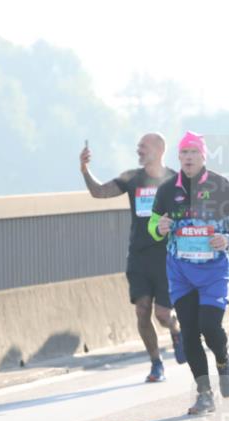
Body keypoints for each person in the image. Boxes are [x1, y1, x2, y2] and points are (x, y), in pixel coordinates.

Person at [148, 132, 229, 415]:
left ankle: (223, 361)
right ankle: (204, 393)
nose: (189, 158)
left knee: (209, 327)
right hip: (180, 270)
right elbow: (154, 225)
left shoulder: (221, 185)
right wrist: (159, 228)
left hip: (213, 271)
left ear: (203, 155)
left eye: (194, 152)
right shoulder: (168, 189)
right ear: (178, 157)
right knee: (190, 333)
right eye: (184, 153)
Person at [80, 133, 184, 382]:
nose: (138, 151)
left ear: (159, 150)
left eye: (143, 147)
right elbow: (100, 192)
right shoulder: (131, 178)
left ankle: (176, 328)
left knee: (162, 314)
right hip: (138, 256)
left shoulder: (175, 179)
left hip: (166, 256)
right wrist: (84, 169)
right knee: (142, 310)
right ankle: (156, 363)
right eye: (137, 147)